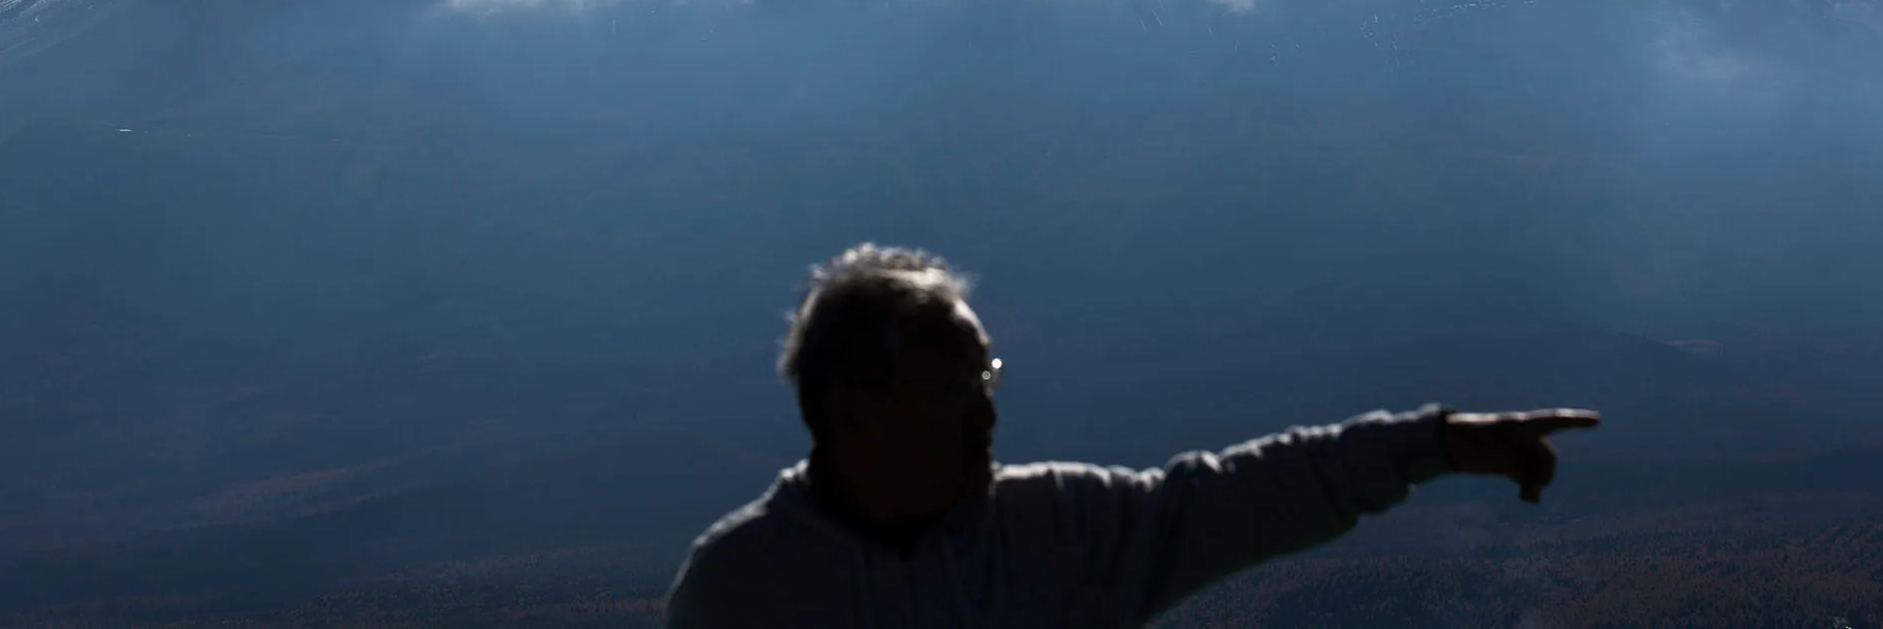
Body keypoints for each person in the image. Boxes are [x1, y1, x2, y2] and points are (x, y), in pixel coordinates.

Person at [667, 245, 1599, 627]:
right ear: (851, 408)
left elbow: (1243, 492)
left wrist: (1438, 444)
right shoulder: (743, 589)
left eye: (988, 378)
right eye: (957, 386)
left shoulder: (1060, 525)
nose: (990, 411)